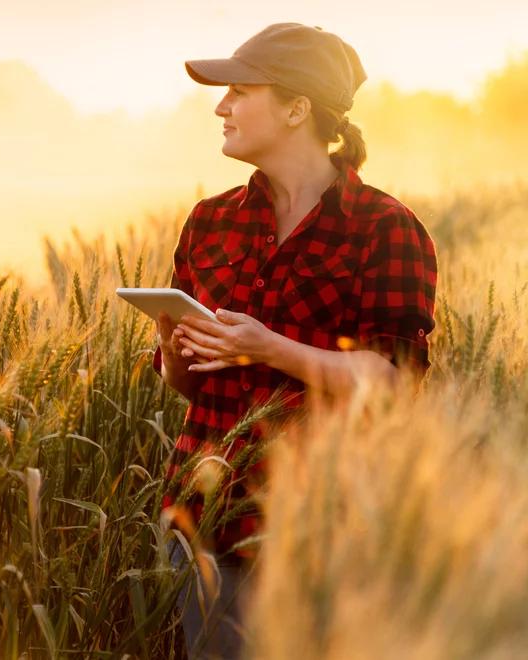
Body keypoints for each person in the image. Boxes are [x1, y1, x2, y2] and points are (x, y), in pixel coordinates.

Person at [150, 22, 438, 660]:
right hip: (205, 520)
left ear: (297, 108)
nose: (220, 106)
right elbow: (189, 387)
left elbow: (394, 382)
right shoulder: (210, 222)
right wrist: (176, 348)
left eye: (238, 91)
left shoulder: (384, 228)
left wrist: (267, 347)